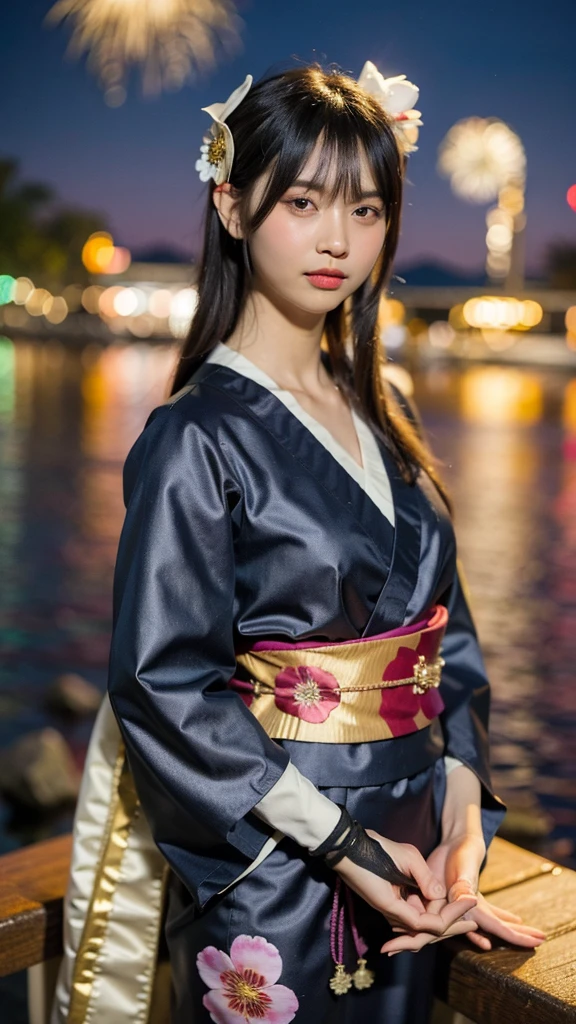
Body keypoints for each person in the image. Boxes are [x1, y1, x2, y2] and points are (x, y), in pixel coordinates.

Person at [51, 61, 545, 1024]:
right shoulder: (195, 437)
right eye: (305, 201)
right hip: (278, 861)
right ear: (231, 206)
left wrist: (461, 833)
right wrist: (347, 847)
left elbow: (448, 650)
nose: (337, 240)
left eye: (366, 210)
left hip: (414, 859)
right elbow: (162, 683)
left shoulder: (384, 410)